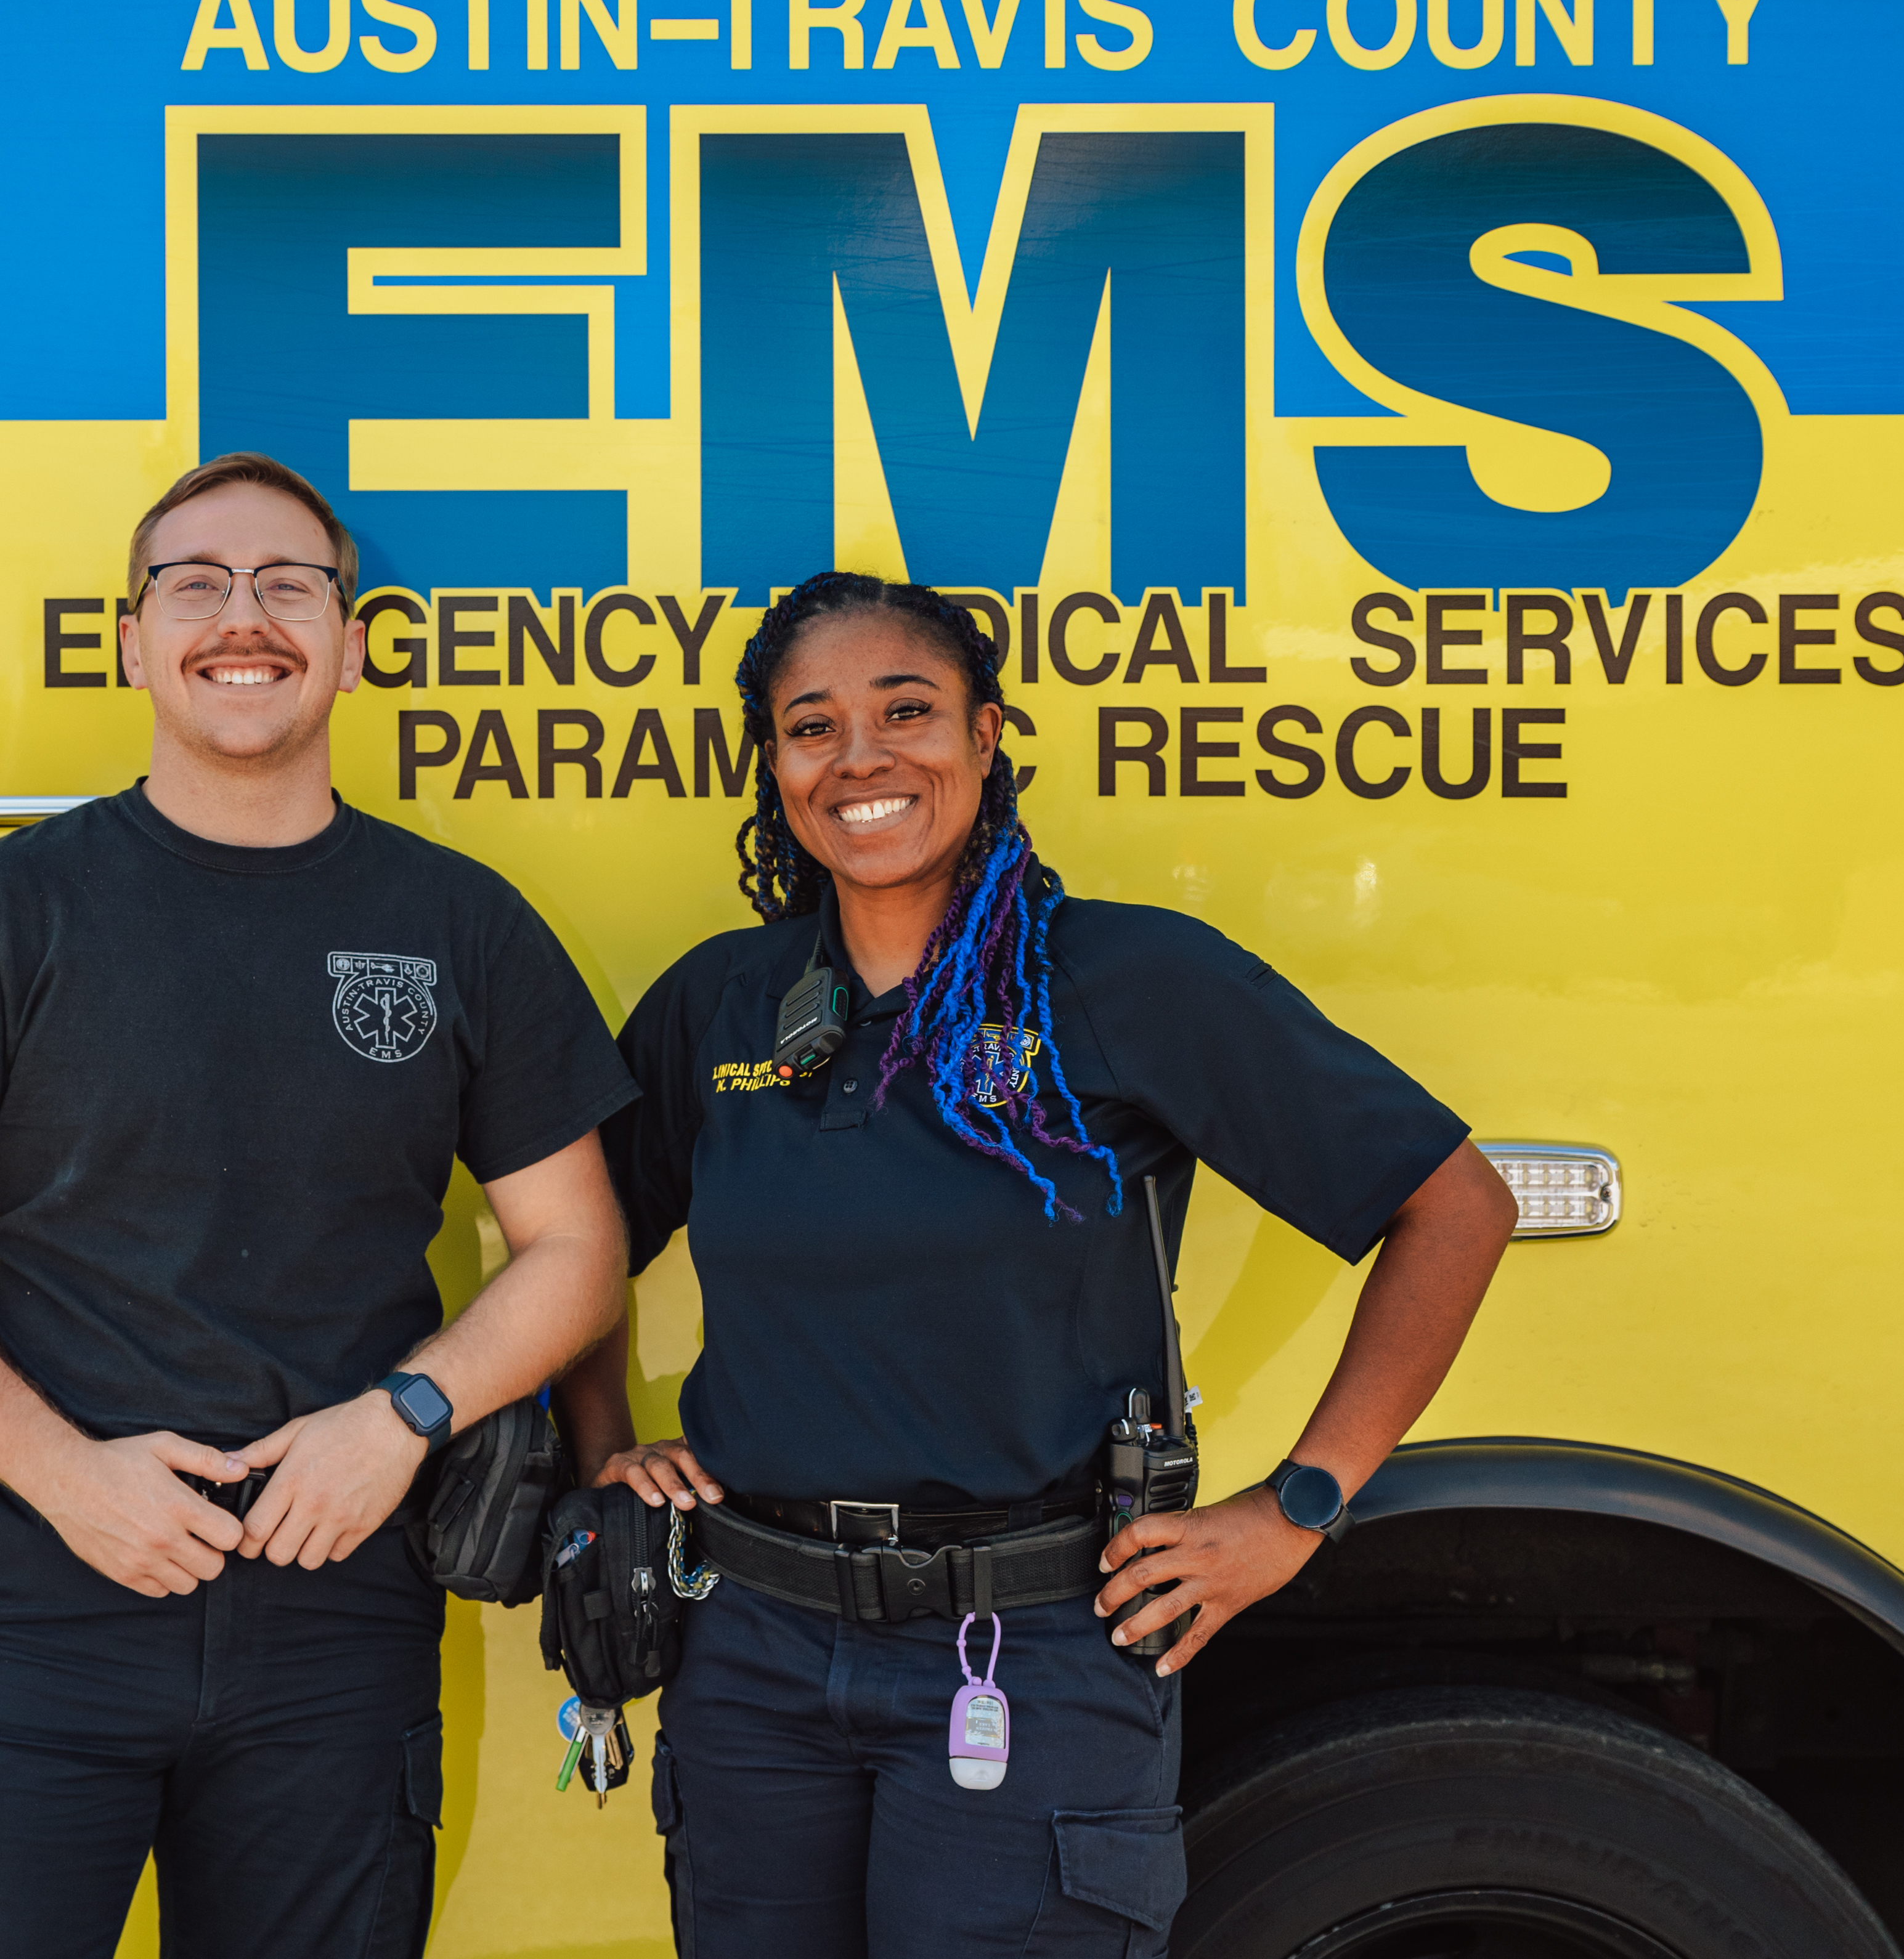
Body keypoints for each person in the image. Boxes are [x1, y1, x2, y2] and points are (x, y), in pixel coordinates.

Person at [561, 572, 1519, 1959]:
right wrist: (604, 1445)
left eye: (908, 711)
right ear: (774, 768)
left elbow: (1454, 1204)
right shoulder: (719, 1000)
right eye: (811, 726)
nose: (862, 758)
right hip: (754, 1658)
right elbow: (578, 1243)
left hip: (1027, 1652)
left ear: (989, 734)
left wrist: (1300, 1505)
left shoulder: (1124, 979)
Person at [0, 453, 637, 1959]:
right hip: (46, 1596)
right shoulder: (8, 909)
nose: (239, 619)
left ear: (353, 638)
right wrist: (69, 1478)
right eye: (193, 584)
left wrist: (402, 1416)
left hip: (339, 1610)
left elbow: (575, 1250)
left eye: (285, 585)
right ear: (130, 640)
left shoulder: (461, 923)